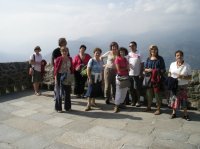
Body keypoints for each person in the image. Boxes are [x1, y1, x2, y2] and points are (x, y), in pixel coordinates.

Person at [168, 50, 191, 121]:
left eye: (180, 55)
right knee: (174, 99)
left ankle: (185, 114)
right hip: (174, 85)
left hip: (183, 86)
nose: (179, 57)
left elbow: (190, 77)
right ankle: (174, 113)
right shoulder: (172, 64)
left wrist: (182, 77)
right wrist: (170, 79)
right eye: (177, 55)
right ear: (175, 57)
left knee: (183, 100)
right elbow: (169, 72)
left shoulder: (187, 65)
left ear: (182, 56)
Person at [144, 45, 166, 115]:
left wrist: (156, 71)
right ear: (150, 51)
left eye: (155, 49)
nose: (153, 51)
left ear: (157, 50)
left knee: (157, 94)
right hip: (149, 78)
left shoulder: (160, 59)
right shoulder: (148, 59)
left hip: (157, 79)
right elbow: (145, 68)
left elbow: (163, 69)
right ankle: (149, 106)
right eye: (151, 49)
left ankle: (158, 108)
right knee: (149, 93)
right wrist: (148, 70)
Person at [54, 47, 74, 112]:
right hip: (60, 75)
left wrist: (71, 76)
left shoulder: (70, 59)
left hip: (67, 76)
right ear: (61, 52)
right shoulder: (58, 59)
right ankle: (58, 108)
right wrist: (56, 79)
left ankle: (67, 107)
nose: (64, 52)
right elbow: (56, 70)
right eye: (63, 51)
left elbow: (71, 68)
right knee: (59, 92)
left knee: (67, 92)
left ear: (68, 52)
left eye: (66, 51)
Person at [128, 41, 144, 107]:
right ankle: (133, 101)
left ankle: (138, 101)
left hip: (137, 74)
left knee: (137, 88)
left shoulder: (139, 54)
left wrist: (140, 73)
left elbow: (142, 63)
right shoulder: (128, 54)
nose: (131, 47)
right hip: (130, 74)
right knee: (131, 88)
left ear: (136, 46)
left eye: (132, 46)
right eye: (130, 46)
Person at [114, 47, 130, 113]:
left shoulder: (125, 59)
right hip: (120, 77)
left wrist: (126, 68)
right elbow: (118, 70)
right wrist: (126, 68)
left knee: (124, 91)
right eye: (120, 52)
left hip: (126, 76)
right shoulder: (117, 59)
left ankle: (121, 103)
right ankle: (116, 106)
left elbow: (128, 68)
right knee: (119, 91)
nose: (122, 53)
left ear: (125, 52)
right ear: (119, 52)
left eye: (123, 52)